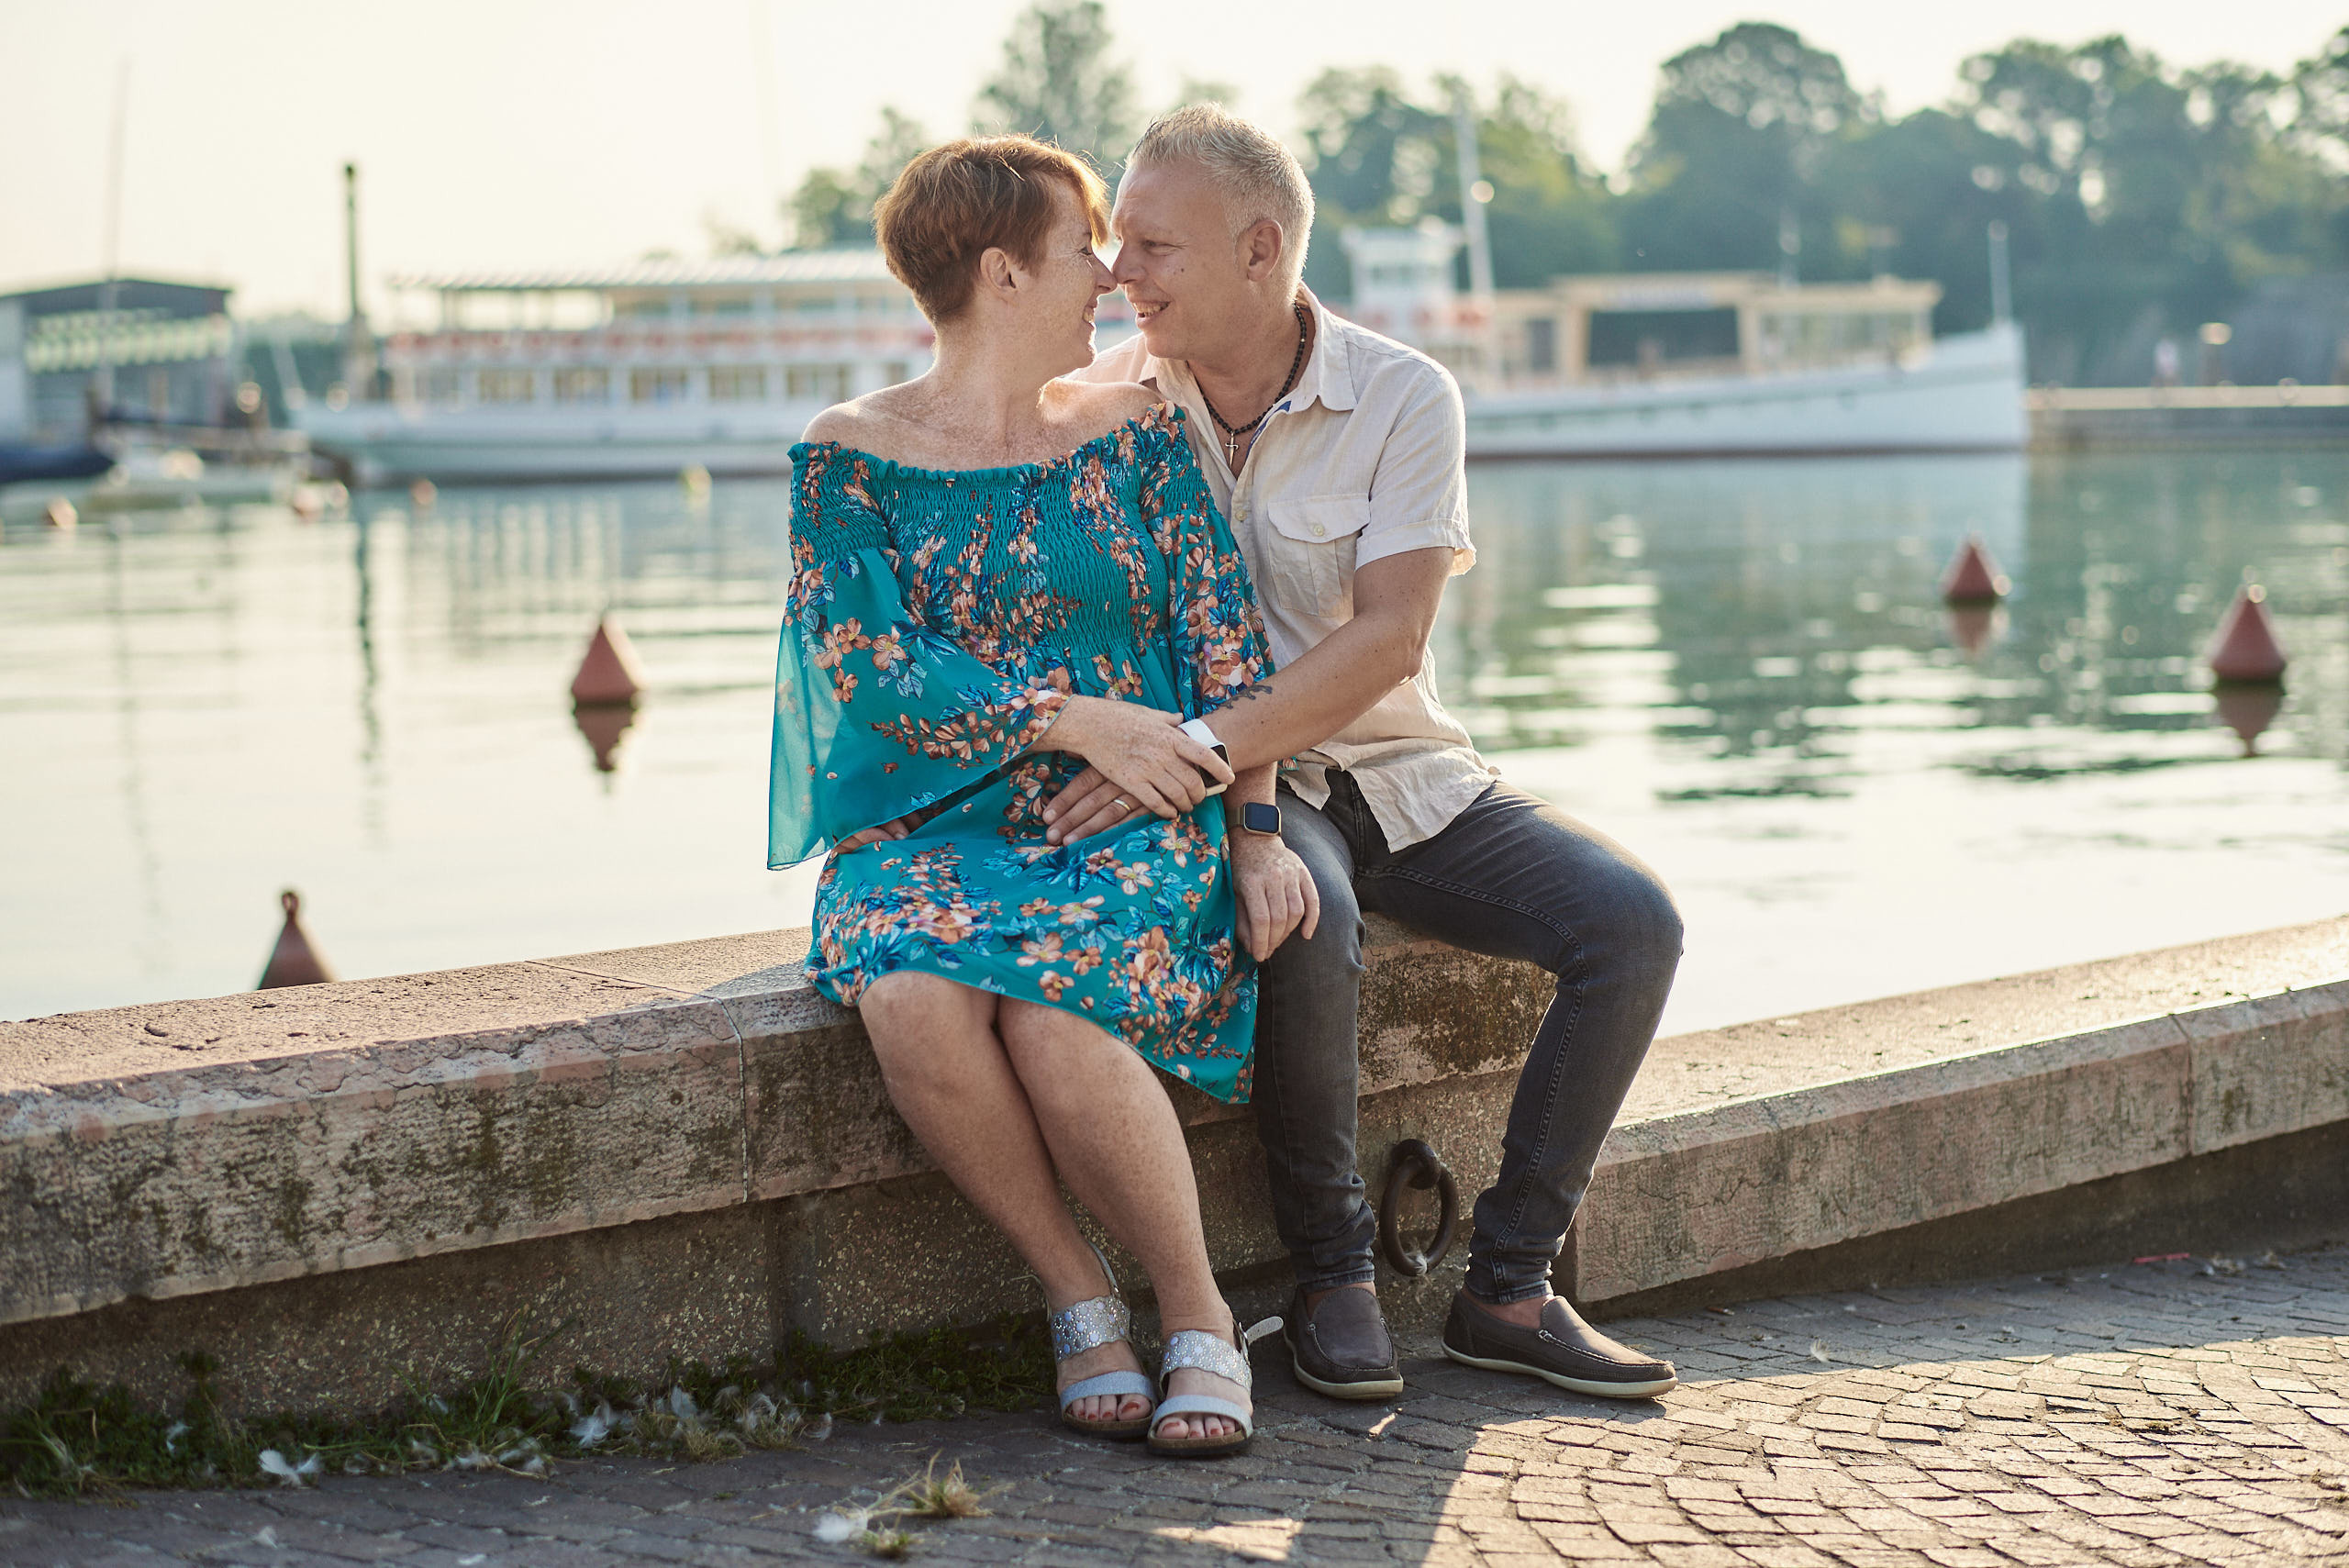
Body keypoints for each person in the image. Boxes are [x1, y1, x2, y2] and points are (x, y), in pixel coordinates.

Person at [1057, 105, 1687, 1400]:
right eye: (1120, 244)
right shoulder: (1108, 404)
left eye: (1154, 245)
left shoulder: (1403, 394)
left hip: (1405, 775)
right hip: (1251, 794)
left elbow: (1391, 636)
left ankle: (1510, 1284)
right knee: (1307, 923)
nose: (1123, 273)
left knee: (1632, 923)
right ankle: (1335, 1273)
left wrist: (1184, 741)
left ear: (1259, 246)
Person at [767, 133, 1322, 1458]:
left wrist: (1249, 827)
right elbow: (871, 666)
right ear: (1005, 273)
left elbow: (1227, 648)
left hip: (1131, 815)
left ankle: (1196, 1312)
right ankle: (1078, 1295)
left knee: (1057, 1005)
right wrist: (1071, 718)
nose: (1113, 274)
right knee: (909, 988)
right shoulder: (849, 454)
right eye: (1088, 249)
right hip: (929, 824)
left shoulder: (1136, 432)